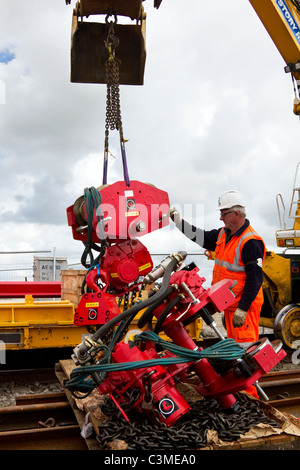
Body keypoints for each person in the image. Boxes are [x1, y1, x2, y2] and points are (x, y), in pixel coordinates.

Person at [170, 190, 266, 399]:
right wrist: (179, 222)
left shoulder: (251, 242)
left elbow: (255, 279)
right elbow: (201, 236)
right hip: (231, 306)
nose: (220, 217)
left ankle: (251, 402)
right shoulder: (224, 234)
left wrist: (243, 308)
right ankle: (240, 397)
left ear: (237, 214)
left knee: (243, 356)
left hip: (244, 308)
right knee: (233, 355)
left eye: (224, 213)